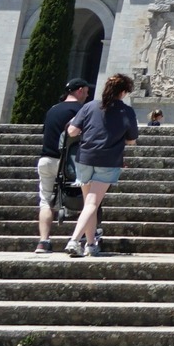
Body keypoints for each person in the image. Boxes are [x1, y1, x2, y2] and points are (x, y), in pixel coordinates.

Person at [64, 73, 140, 258]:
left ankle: (90, 244)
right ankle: (74, 240)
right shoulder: (126, 111)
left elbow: (72, 131)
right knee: (92, 203)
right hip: (108, 160)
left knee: (90, 203)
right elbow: (132, 140)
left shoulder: (90, 106)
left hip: (85, 158)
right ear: (122, 92)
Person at [33, 78, 91, 255]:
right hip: (70, 163)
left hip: (46, 160)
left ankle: (43, 242)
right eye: (86, 92)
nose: (87, 96)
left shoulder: (52, 110)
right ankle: (80, 238)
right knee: (86, 200)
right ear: (80, 90)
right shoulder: (81, 110)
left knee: (45, 201)